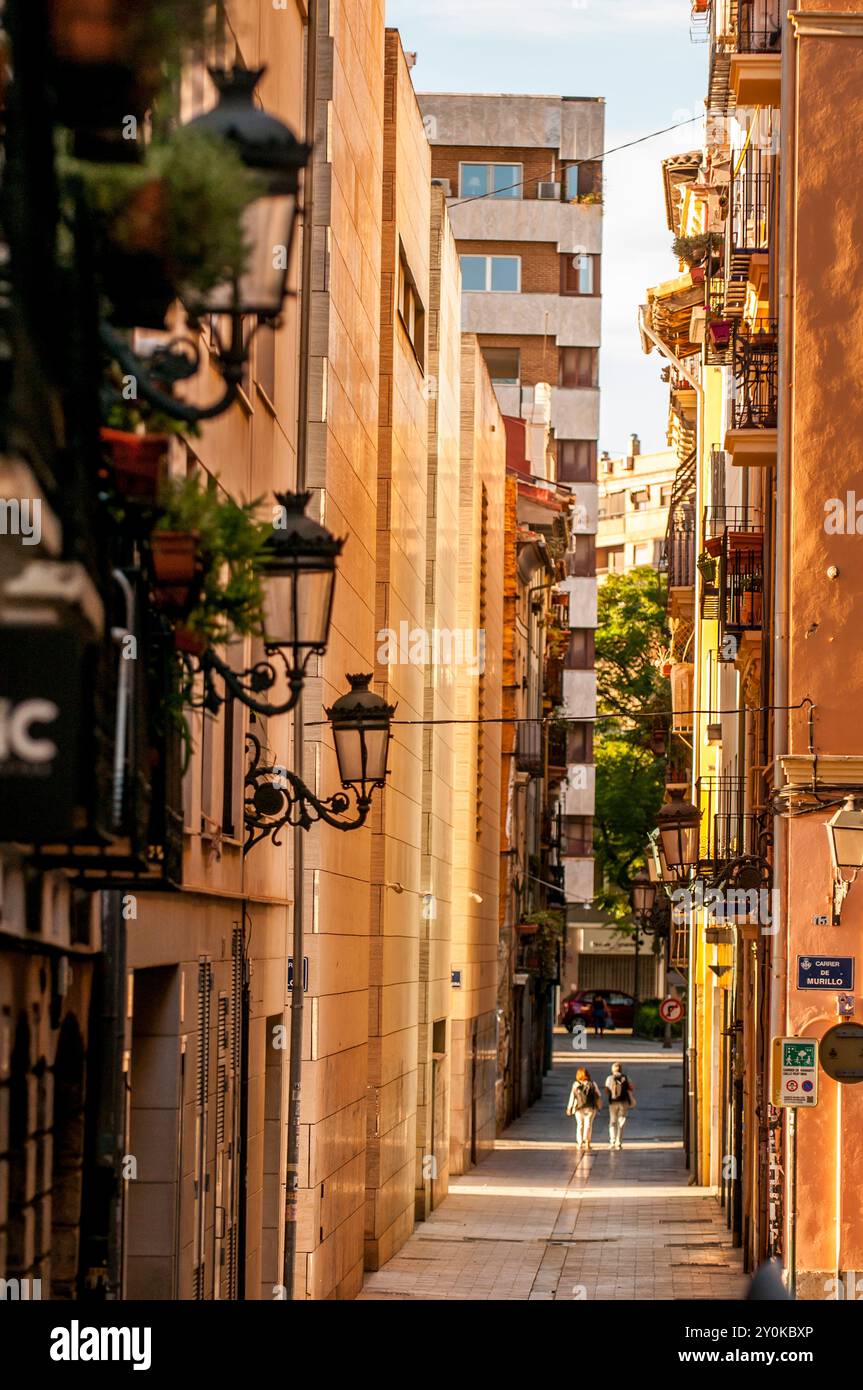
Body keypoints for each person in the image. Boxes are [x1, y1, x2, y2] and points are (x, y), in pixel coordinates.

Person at [566, 1067, 602, 1150]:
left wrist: (569, 1108)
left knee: (580, 1125)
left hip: (578, 1108)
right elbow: (599, 1095)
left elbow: (572, 1096)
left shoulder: (576, 1084)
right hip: (591, 1108)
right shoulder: (593, 1083)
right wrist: (599, 1104)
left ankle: (579, 1143)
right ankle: (587, 1143)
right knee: (588, 1125)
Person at [604, 1061, 636, 1150]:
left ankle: (612, 1141)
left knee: (612, 1121)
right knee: (621, 1122)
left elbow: (606, 1091)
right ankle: (619, 1142)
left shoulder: (609, 1078)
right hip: (624, 1102)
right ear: (621, 1070)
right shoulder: (626, 1078)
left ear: (612, 1070)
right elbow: (631, 1088)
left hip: (613, 1102)